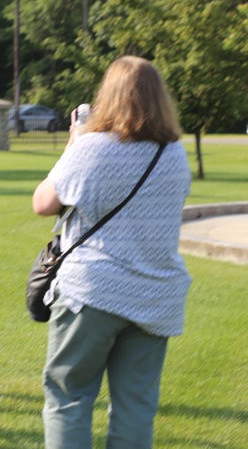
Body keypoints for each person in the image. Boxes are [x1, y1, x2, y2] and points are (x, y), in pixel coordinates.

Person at [31, 56, 191, 449]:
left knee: (68, 396)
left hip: (93, 291)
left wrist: (74, 144)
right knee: (136, 404)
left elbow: (43, 203)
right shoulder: (174, 154)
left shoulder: (92, 148)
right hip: (156, 294)